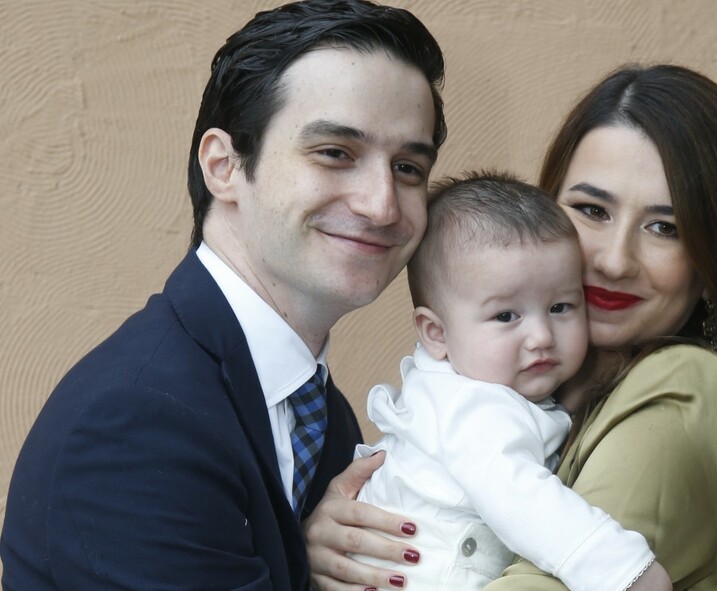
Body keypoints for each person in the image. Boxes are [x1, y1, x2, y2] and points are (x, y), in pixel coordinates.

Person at [306, 63, 717, 590]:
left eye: (664, 227)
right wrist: (338, 541)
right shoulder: (526, 390)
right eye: (591, 210)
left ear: (713, 261)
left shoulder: (682, 387)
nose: (614, 260)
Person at [0, 1, 445, 589]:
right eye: (335, 153)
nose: (381, 204)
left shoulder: (319, 410)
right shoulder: (138, 423)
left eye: (409, 167)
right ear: (224, 165)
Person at [350, 172, 667, 590]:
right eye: (506, 316)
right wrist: (621, 569)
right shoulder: (474, 406)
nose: (541, 336)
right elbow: (518, 495)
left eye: (560, 306)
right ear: (436, 333)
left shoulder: (462, 383)